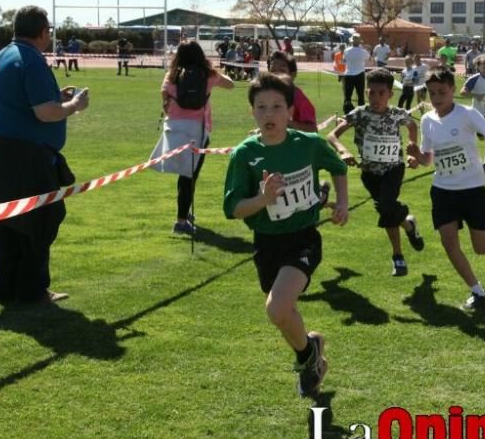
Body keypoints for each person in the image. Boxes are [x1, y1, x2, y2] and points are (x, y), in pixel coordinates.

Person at [223, 73, 349, 398]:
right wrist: (263, 199)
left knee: (276, 309)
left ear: (290, 112)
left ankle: (307, 357)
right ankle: (311, 351)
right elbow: (235, 207)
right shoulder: (244, 155)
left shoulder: (308, 145)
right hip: (267, 243)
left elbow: (338, 167)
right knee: (283, 313)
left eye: (277, 106)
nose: (269, 114)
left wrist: (343, 203)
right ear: (252, 112)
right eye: (261, 107)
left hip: (303, 238)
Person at [0, 5, 90, 305]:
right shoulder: (31, 61)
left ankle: (7, 288)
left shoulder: (3, 56)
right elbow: (45, 114)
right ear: (44, 32)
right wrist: (75, 106)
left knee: (9, 225)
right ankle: (33, 290)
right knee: (39, 223)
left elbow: (25, 102)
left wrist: (57, 98)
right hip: (26, 159)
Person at [406, 67, 485, 310]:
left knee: (482, 249)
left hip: (473, 189)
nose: (436, 97)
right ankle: (477, 291)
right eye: (431, 93)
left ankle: (478, 276)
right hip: (443, 190)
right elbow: (429, 158)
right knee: (449, 244)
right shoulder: (427, 120)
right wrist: (417, 156)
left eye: (441, 92)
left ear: (452, 90)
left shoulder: (467, 114)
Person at [328, 68, 425, 276]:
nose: (375, 97)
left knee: (387, 205)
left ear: (390, 94)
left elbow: (412, 128)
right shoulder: (359, 114)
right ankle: (408, 225)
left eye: (381, 93)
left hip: (393, 169)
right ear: (366, 92)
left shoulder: (398, 114)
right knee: (386, 210)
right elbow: (332, 135)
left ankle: (398, 257)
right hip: (369, 173)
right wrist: (343, 151)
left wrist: (412, 150)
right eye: (371, 92)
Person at [151, 41, 234, 235]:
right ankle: (180, 220)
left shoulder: (172, 76)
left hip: (174, 128)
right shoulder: (208, 75)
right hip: (198, 130)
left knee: (184, 174)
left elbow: (165, 102)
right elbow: (230, 85)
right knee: (190, 176)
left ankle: (184, 212)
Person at [267, 51, 318, 133]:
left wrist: (288, 123)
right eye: (273, 71)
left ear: (292, 75)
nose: (276, 76)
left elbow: (313, 130)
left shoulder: (298, 97)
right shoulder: (266, 95)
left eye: (282, 71)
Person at [342, 36, 369, 115]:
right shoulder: (363, 51)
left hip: (349, 73)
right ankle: (361, 111)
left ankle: (347, 111)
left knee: (348, 95)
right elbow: (368, 58)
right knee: (360, 94)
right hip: (360, 73)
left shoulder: (347, 50)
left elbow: (344, 61)